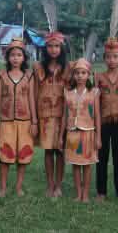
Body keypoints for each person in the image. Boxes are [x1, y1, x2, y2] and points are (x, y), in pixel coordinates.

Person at [0, 38, 38, 197]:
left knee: (23, 155)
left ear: (24, 57)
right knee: (5, 155)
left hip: (25, 122)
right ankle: (3, 188)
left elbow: (31, 99)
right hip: (6, 122)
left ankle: (19, 187)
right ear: (8, 57)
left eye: (19, 55)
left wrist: (34, 121)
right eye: (12, 55)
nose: (15, 58)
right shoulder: (1, 75)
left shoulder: (29, 76)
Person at [94, 37, 118, 204]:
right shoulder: (98, 77)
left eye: (115, 56)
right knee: (101, 157)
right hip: (102, 122)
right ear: (104, 58)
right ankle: (101, 192)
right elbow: (94, 101)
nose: (112, 60)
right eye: (109, 56)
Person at [60, 58, 101, 203]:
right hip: (72, 133)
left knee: (87, 165)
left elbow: (96, 116)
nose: (80, 76)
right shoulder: (68, 93)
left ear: (88, 74)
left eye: (83, 73)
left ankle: (86, 194)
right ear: (73, 75)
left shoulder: (94, 92)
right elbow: (65, 116)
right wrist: (61, 136)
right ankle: (78, 193)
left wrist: (98, 137)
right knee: (76, 165)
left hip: (88, 132)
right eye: (77, 73)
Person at [34, 31, 70, 197]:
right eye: (50, 46)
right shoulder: (39, 68)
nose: (53, 49)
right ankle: (50, 184)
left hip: (63, 115)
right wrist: (34, 118)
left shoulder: (69, 68)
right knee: (48, 150)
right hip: (45, 116)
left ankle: (58, 185)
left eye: (56, 46)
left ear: (62, 48)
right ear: (45, 48)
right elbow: (34, 93)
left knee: (60, 150)